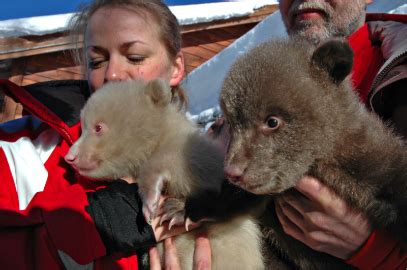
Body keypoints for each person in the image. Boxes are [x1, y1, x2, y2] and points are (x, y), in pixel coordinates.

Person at [0, 0, 209, 269]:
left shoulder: (219, 164)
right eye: (96, 61)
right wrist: (92, 226)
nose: (111, 74)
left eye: (134, 57)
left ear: (176, 68)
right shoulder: (16, 151)